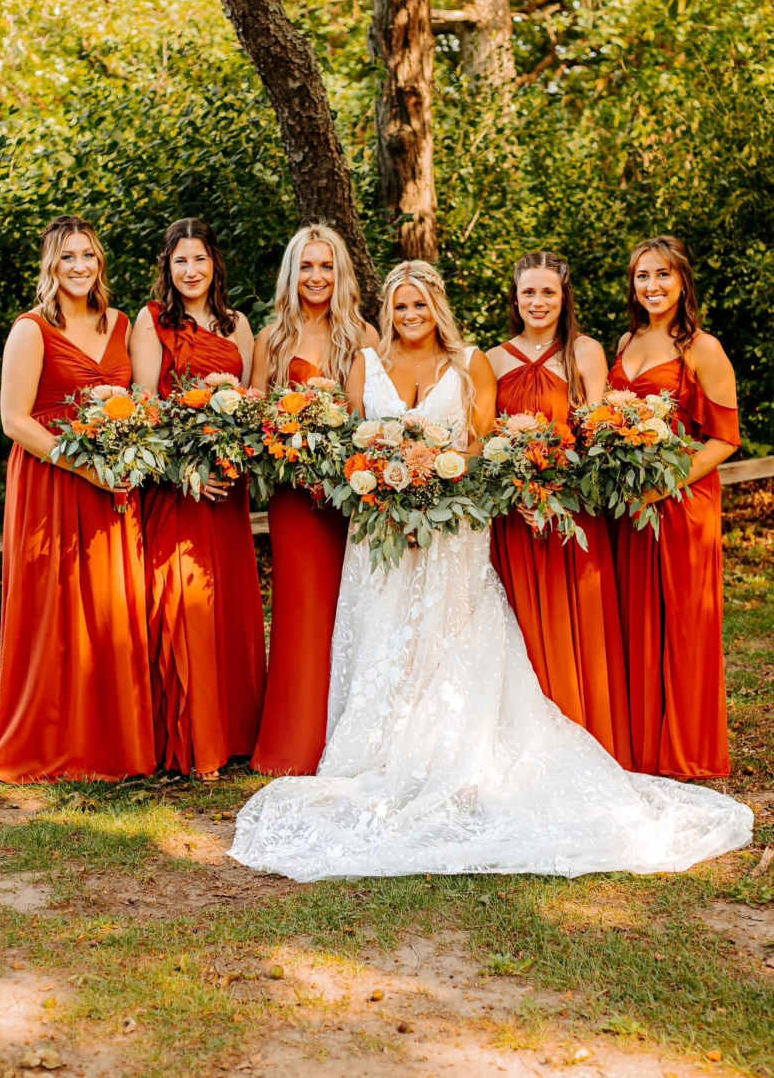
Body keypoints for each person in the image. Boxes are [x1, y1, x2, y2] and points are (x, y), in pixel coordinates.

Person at [228, 260, 751, 882]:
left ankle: (458, 750)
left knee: (451, 638)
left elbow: (478, 446)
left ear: (438, 307)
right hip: (381, 529)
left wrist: (433, 479)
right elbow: (351, 444)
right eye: (400, 306)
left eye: (420, 304)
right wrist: (387, 485)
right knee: (385, 637)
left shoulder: (471, 363)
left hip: (453, 530)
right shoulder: (364, 363)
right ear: (387, 312)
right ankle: (382, 748)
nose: (411, 315)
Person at [0, 215, 156, 783]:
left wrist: (126, 458)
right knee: (56, 608)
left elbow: (140, 402)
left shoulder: (120, 323)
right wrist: (83, 466)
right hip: (51, 481)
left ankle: (113, 742)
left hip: (111, 484)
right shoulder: (31, 329)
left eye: (88, 255)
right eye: (67, 256)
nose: (80, 266)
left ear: (100, 262)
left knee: (109, 606)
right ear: (50, 266)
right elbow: (14, 420)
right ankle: (52, 738)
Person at [130, 217, 265, 780]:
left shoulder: (238, 325)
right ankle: (191, 741)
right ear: (168, 265)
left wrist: (233, 454)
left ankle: (234, 737)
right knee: (181, 605)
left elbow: (252, 403)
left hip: (226, 490)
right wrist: (185, 470)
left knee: (225, 605)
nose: (190, 270)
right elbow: (145, 406)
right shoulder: (151, 321)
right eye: (180, 260)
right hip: (177, 488)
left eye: (200, 259)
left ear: (215, 263)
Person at [487, 252, 632, 767]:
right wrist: (520, 493)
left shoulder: (584, 352)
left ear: (564, 296)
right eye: (528, 292)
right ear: (515, 297)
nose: (538, 301)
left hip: (572, 515)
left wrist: (556, 497)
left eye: (548, 292)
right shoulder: (492, 359)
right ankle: (529, 754)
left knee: (580, 633)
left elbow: (597, 437)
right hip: (515, 518)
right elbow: (484, 441)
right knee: (525, 632)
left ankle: (589, 742)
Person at [608, 236, 740, 778]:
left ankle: (688, 750)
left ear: (682, 281)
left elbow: (725, 439)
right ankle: (643, 746)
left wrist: (663, 486)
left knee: (684, 623)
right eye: (642, 276)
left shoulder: (702, 347)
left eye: (663, 274)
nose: (652, 285)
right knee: (637, 620)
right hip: (630, 505)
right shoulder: (626, 340)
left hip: (683, 500)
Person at [249, 223, 378, 776]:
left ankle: (352, 740)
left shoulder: (364, 335)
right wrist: (285, 438)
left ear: (340, 272)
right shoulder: (272, 338)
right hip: (295, 497)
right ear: (292, 273)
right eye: (306, 266)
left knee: (355, 607)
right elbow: (256, 416)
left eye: (326, 266)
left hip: (351, 496)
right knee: (302, 611)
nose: (317, 276)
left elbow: (378, 414)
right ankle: (295, 743)